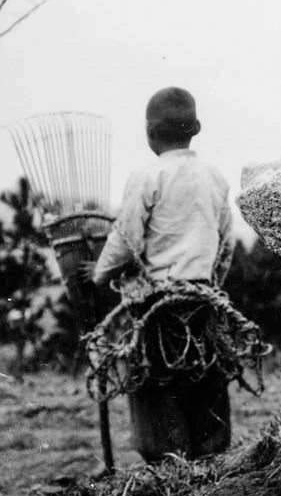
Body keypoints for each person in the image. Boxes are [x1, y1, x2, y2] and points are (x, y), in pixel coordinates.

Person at [89, 87, 238, 461]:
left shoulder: (147, 176)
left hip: (156, 304)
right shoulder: (214, 177)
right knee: (206, 378)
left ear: (150, 132)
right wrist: (211, 285)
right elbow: (226, 243)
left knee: (156, 384)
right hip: (202, 300)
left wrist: (99, 273)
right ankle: (208, 462)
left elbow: (125, 240)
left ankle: (171, 467)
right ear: (194, 129)